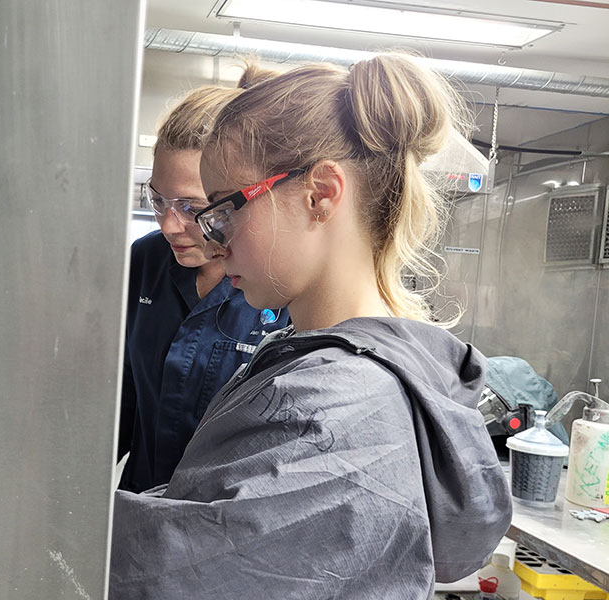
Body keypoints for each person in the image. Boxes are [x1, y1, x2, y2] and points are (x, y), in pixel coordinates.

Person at [110, 54, 512, 598]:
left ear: (320, 193)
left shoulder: (327, 406)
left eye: (224, 210)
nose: (215, 239)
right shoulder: (313, 361)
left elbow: (173, 577)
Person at [119, 75, 290, 494]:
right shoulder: (147, 261)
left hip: (222, 524)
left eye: (191, 207)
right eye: (158, 200)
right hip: (139, 503)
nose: (169, 225)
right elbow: (120, 396)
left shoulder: (279, 285)